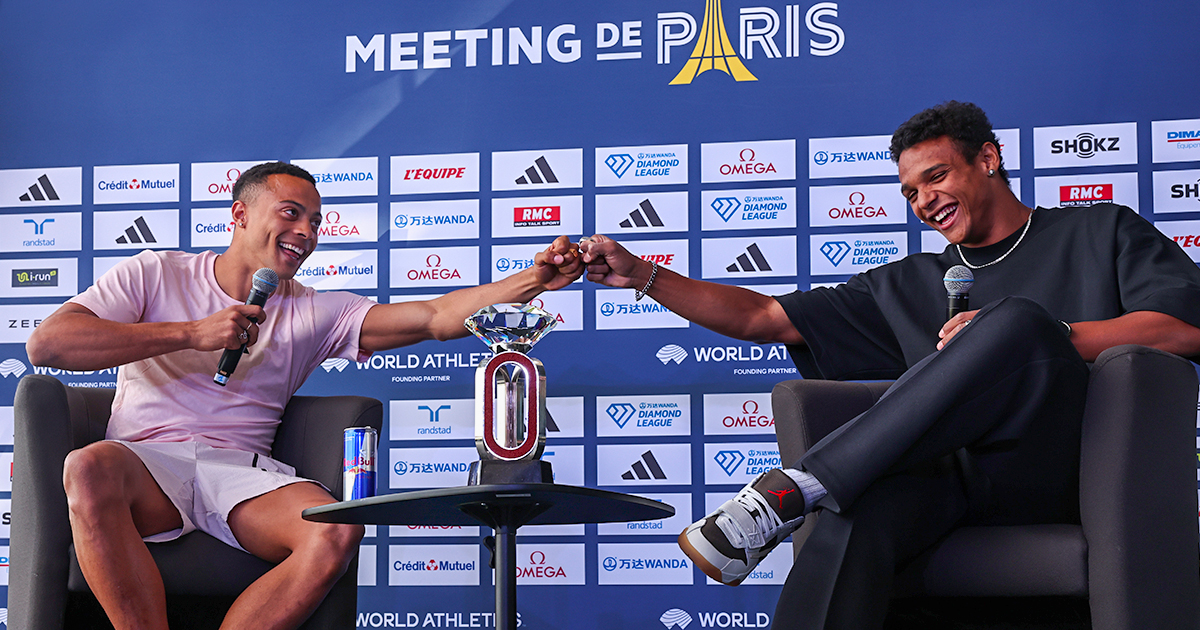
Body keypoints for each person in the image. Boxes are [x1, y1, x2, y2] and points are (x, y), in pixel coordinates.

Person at [580, 101, 1200, 629]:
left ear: (988, 159)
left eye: (937, 177)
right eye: (910, 192)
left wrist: (1054, 333)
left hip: (1068, 471)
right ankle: (815, 493)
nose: (925, 201)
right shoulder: (907, 283)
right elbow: (762, 319)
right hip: (952, 482)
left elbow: (1182, 326)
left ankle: (796, 486)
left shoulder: (1100, 231)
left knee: (1015, 321)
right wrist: (644, 275)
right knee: (851, 520)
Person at [25, 161, 583, 630]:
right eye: (290, 213)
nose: (306, 231)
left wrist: (533, 279)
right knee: (88, 466)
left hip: (240, 473)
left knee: (336, 526)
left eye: (315, 222)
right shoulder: (155, 274)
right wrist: (191, 333)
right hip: (146, 463)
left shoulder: (315, 309)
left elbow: (436, 318)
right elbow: (48, 345)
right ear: (240, 215)